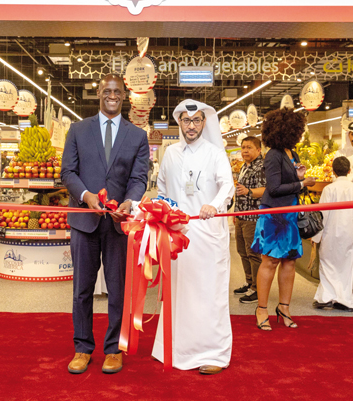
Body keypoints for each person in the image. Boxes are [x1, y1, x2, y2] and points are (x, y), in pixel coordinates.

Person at [61, 74, 150, 375]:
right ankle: (82, 347)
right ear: (99, 93)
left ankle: (114, 349)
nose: (112, 95)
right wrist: (85, 196)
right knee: (82, 289)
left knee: (117, 289)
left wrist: (130, 202)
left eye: (117, 92)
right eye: (107, 91)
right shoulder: (77, 130)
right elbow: (68, 172)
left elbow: (139, 178)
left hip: (118, 225)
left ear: (124, 96)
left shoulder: (137, 136)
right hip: (84, 222)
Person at [153, 99, 235, 375]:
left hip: (208, 233)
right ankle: (175, 347)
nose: (191, 126)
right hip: (179, 235)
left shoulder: (215, 153)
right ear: (179, 122)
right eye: (186, 121)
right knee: (180, 290)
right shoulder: (171, 153)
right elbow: (163, 187)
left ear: (204, 122)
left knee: (208, 293)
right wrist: (165, 210)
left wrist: (214, 203)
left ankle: (214, 353)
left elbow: (228, 186)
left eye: (197, 120)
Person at [252, 108, 317, 331]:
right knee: (269, 261)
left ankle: (284, 308)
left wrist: (298, 174)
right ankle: (261, 309)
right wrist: (301, 184)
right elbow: (274, 188)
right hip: (272, 215)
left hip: (290, 213)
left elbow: (287, 181)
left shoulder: (292, 153)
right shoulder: (273, 155)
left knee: (290, 261)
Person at [312, 156, 353, 312]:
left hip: (330, 232)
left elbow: (322, 214)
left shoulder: (329, 189)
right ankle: (344, 300)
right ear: (349, 171)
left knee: (327, 264)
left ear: (333, 171)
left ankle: (325, 297)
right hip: (349, 232)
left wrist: (316, 237)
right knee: (346, 266)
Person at [233, 136, 265, 303]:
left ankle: (258, 289)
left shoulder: (261, 167)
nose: (245, 150)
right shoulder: (245, 166)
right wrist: (236, 213)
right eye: (243, 147)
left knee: (253, 253)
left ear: (258, 150)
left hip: (253, 216)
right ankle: (249, 281)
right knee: (242, 251)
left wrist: (249, 191)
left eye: (249, 147)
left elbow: (266, 190)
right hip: (241, 215)